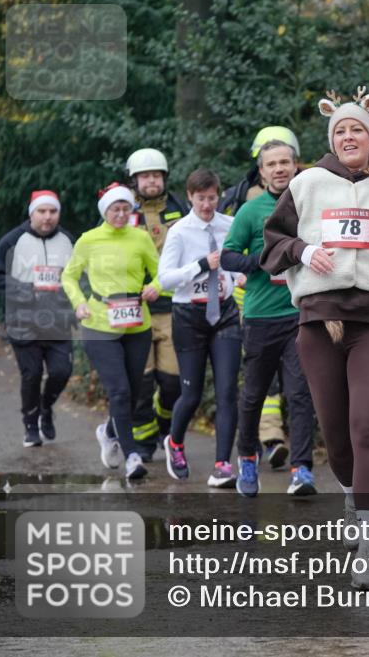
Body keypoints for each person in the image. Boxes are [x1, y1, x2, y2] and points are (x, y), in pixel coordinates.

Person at [261, 86, 369, 590]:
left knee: (367, 430)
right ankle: (349, 490)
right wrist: (302, 249)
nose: (348, 137)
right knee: (336, 439)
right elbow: (272, 246)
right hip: (319, 322)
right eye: (340, 131)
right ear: (331, 140)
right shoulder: (308, 183)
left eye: (357, 129)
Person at [221, 138, 318, 498]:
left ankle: (302, 469)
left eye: (285, 162)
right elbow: (228, 257)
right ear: (261, 172)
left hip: (300, 313)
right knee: (254, 395)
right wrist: (261, 262)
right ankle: (247, 458)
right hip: (261, 317)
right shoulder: (250, 211)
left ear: (295, 166)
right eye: (271, 164)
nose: (279, 169)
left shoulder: (310, 206)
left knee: (301, 394)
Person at [61, 183, 162, 480]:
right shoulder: (89, 240)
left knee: (130, 393)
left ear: (132, 211)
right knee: (118, 390)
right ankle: (132, 456)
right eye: (114, 209)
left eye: (125, 209)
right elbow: (69, 276)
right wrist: (79, 303)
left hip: (137, 322)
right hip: (99, 323)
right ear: (104, 211)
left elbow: (159, 272)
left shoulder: (141, 238)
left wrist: (156, 286)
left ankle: (108, 431)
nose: (120, 214)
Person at [157, 168, 243, 488]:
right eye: (200, 198)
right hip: (189, 316)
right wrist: (202, 265)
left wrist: (237, 277)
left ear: (217, 196)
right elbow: (165, 280)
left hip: (225, 314)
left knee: (226, 392)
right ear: (190, 196)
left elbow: (234, 261)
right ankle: (175, 442)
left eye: (211, 198)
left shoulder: (230, 226)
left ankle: (222, 465)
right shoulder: (179, 232)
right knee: (191, 394)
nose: (206, 205)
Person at [0, 190, 76, 447]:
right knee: (32, 374)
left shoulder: (69, 240)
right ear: (32, 213)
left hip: (58, 321)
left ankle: (45, 408)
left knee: (61, 371)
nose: (48, 217)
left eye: (53, 211)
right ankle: (30, 425)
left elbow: (82, 274)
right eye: (42, 211)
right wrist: (25, 290)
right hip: (23, 320)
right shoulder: (13, 240)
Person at [125, 148, 188, 460]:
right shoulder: (122, 211)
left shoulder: (180, 208)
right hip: (133, 308)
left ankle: (164, 423)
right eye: (144, 176)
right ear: (134, 180)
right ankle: (144, 442)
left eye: (156, 175)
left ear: (164, 178)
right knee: (140, 380)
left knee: (173, 381)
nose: (151, 181)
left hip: (172, 306)